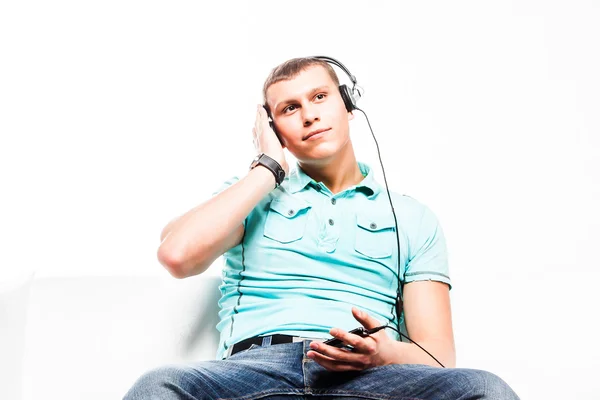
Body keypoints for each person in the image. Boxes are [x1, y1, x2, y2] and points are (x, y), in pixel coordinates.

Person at [124, 57, 519, 399]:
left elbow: (437, 356)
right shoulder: (248, 194)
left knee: (488, 389)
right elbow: (176, 255)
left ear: (347, 106)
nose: (309, 115)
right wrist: (268, 167)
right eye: (289, 108)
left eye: (319, 97)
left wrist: (385, 354)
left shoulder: (413, 217)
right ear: (273, 127)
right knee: (159, 387)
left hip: (372, 375)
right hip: (254, 371)